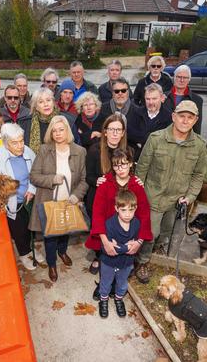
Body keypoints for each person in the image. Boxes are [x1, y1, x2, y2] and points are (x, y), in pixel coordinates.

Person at [134, 100, 207, 284]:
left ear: (195, 120)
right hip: (153, 197)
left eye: (190, 118)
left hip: (177, 201)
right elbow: (141, 169)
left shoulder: (199, 145)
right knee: (150, 232)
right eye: (181, 116)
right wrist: (139, 196)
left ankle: (158, 248)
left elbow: (198, 175)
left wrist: (189, 197)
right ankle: (142, 261)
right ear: (173, 116)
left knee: (165, 232)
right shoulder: (156, 138)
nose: (185, 120)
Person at [0, 123, 43, 270]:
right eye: (14, 143)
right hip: (13, 203)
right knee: (19, 230)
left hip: (29, 199)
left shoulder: (28, 151)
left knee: (31, 226)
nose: (20, 146)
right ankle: (24, 253)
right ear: (5, 143)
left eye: (21, 141)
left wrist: (31, 188)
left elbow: (36, 173)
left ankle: (31, 248)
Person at [86, 148, 152, 305]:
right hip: (108, 234)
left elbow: (144, 214)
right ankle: (103, 286)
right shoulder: (105, 184)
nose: (120, 169)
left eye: (124, 164)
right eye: (116, 165)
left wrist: (139, 241)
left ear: (131, 164)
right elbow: (98, 214)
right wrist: (105, 241)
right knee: (106, 262)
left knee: (125, 264)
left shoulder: (137, 186)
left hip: (130, 235)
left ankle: (117, 287)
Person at [29, 115, 88, 282]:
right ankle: (52, 263)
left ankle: (62, 251)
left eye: (61, 129)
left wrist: (77, 195)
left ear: (67, 130)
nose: (58, 133)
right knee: (50, 236)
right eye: (54, 131)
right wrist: (51, 179)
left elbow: (84, 179)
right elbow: (33, 176)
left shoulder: (79, 151)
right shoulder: (44, 150)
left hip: (69, 202)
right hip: (49, 202)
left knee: (65, 231)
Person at [84, 113, 132, 271]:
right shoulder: (94, 150)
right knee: (100, 229)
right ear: (105, 131)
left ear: (123, 133)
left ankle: (117, 254)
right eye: (111, 129)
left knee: (118, 228)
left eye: (119, 130)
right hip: (98, 198)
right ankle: (99, 256)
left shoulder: (128, 151)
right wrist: (96, 180)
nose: (115, 133)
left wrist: (135, 181)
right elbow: (88, 176)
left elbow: (131, 174)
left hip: (119, 199)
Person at [97, 189, 143, 318]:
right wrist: (126, 246)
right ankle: (104, 300)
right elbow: (110, 249)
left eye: (131, 210)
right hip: (109, 262)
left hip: (127, 262)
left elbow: (135, 247)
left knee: (122, 283)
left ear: (136, 208)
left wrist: (125, 246)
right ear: (116, 208)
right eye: (123, 210)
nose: (128, 214)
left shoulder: (136, 224)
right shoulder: (109, 224)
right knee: (106, 282)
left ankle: (118, 299)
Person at [126, 83, 173, 161]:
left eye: (154, 99)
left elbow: (165, 140)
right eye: (148, 99)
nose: (150, 102)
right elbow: (129, 133)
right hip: (137, 158)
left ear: (161, 98)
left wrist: (140, 141)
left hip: (159, 159)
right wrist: (151, 137)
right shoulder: (135, 112)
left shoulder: (169, 117)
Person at [164, 65, 204, 135]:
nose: (182, 80)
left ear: (189, 79)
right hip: (165, 137)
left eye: (185, 78)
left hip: (185, 138)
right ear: (174, 77)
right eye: (179, 77)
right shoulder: (163, 97)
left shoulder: (197, 100)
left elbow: (197, 125)